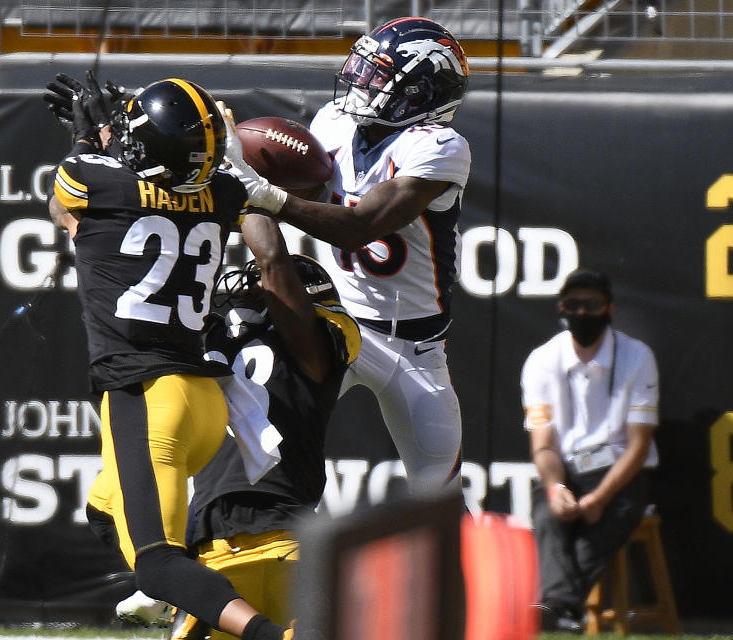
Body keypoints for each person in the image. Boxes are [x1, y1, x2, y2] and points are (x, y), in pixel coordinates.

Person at [45, 72, 292, 640]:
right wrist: (117, 143)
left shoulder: (91, 181)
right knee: (107, 511)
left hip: (148, 400)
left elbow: (67, 214)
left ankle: (272, 636)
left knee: (156, 564)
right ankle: (194, 596)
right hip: (203, 404)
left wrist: (88, 142)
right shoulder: (226, 193)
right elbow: (161, 186)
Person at [222, 17, 472, 495]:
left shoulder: (440, 148)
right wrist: (241, 164)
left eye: (377, 74)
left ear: (419, 92)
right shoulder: (334, 123)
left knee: (439, 500)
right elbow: (309, 197)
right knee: (264, 444)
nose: (361, 81)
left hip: (416, 348)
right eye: (363, 68)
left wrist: (265, 193)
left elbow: (360, 227)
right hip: (339, 326)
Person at [89, 213, 360, 639]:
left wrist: (251, 197)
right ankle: (164, 578)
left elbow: (272, 262)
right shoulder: (286, 351)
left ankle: (163, 581)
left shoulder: (308, 344)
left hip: (235, 560)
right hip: (280, 550)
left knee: (109, 505)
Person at [519, 268, 660, 632]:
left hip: (623, 472)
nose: (582, 313)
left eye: (592, 304)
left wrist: (599, 498)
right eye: (573, 304)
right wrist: (555, 488)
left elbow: (639, 445)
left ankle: (554, 608)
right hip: (567, 469)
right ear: (561, 308)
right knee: (548, 513)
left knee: (601, 525)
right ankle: (560, 611)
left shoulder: (637, 356)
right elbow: (544, 445)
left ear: (609, 308)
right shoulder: (541, 361)